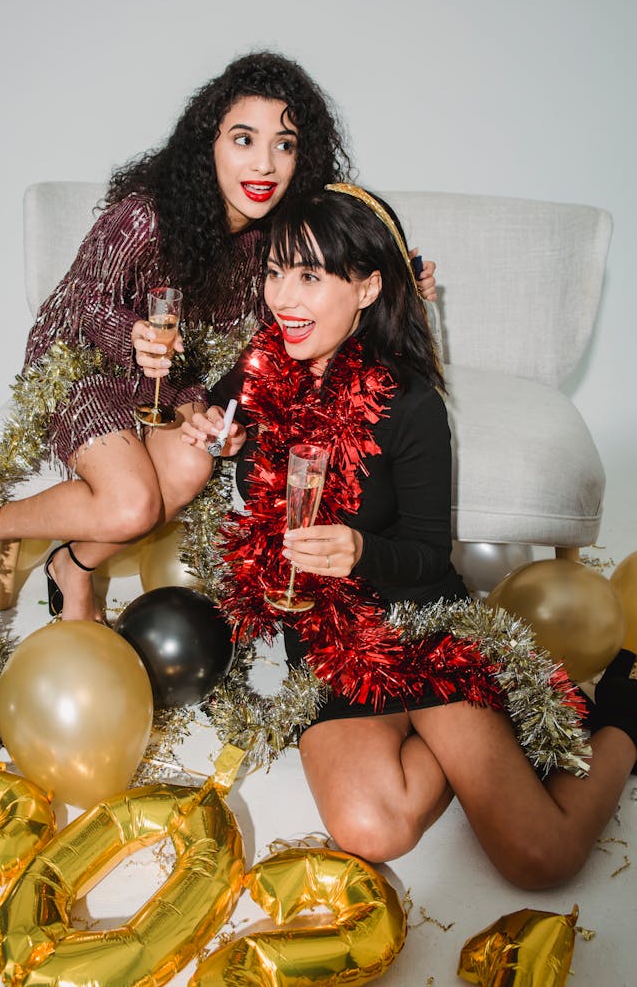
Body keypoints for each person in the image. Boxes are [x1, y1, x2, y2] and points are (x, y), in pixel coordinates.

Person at [181, 183, 637, 890]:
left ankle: (625, 718)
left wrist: (360, 550)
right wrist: (207, 423)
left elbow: (430, 553)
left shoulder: (412, 401)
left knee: (540, 859)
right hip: (327, 634)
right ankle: (457, 744)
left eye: (309, 275)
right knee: (371, 828)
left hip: (419, 620)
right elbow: (207, 414)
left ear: (365, 288)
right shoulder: (262, 365)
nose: (283, 297)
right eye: (274, 271)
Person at [0, 52, 437, 621]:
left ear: (302, 155)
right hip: (86, 361)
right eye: (244, 139)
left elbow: (352, 234)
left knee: (194, 464)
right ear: (208, 144)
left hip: (176, 379)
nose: (263, 164)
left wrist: (406, 273)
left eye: (283, 145)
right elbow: (83, 302)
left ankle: (74, 564)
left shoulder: (277, 237)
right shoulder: (146, 216)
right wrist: (133, 337)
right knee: (131, 504)